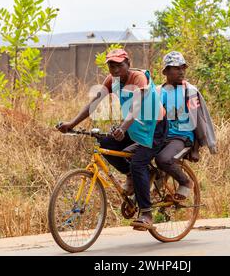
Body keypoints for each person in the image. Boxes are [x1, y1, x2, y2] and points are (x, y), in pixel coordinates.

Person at [57, 49, 166, 231]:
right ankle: (132, 175)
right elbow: (94, 103)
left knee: (138, 163)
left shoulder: (139, 78)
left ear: (128, 64)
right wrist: (71, 123)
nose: (115, 69)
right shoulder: (111, 80)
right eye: (111, 65)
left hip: (155, 126)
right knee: (106, 143)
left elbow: (137, 106)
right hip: (134, 126)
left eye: (119, 65)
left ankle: (146, 213)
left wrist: (123, 127)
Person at [155, 51, 217, 200]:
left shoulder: (189, 92)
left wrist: (196, 148)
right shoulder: (158, 92)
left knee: (162, 159)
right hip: (163, 136)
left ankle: (185, 183)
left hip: (182, 137)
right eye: (177, 68)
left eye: (183, 68)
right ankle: (154, 190)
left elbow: (198, 121)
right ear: (166, 71)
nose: (181, 71)